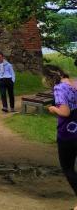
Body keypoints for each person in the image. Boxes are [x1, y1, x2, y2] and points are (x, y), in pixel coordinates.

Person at [44, 64, 77, 209]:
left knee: (68, 168)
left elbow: (65, 112)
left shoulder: (59, 88)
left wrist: (53, 108)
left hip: (68, 133)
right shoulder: (75, 82)